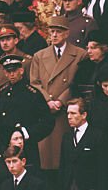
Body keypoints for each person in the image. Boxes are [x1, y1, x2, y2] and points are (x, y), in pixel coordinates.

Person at [28, 15, 85, 171]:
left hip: (67, 111)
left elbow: (77, 82)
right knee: (47, 161)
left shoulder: (80, 54)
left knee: (65, 160)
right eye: (51, 31)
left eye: (58, 32)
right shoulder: (39, 56)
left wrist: (61, 101)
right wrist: (48, 101)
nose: (54, 35)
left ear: (66, 34)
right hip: (46, 111)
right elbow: (35, 83)